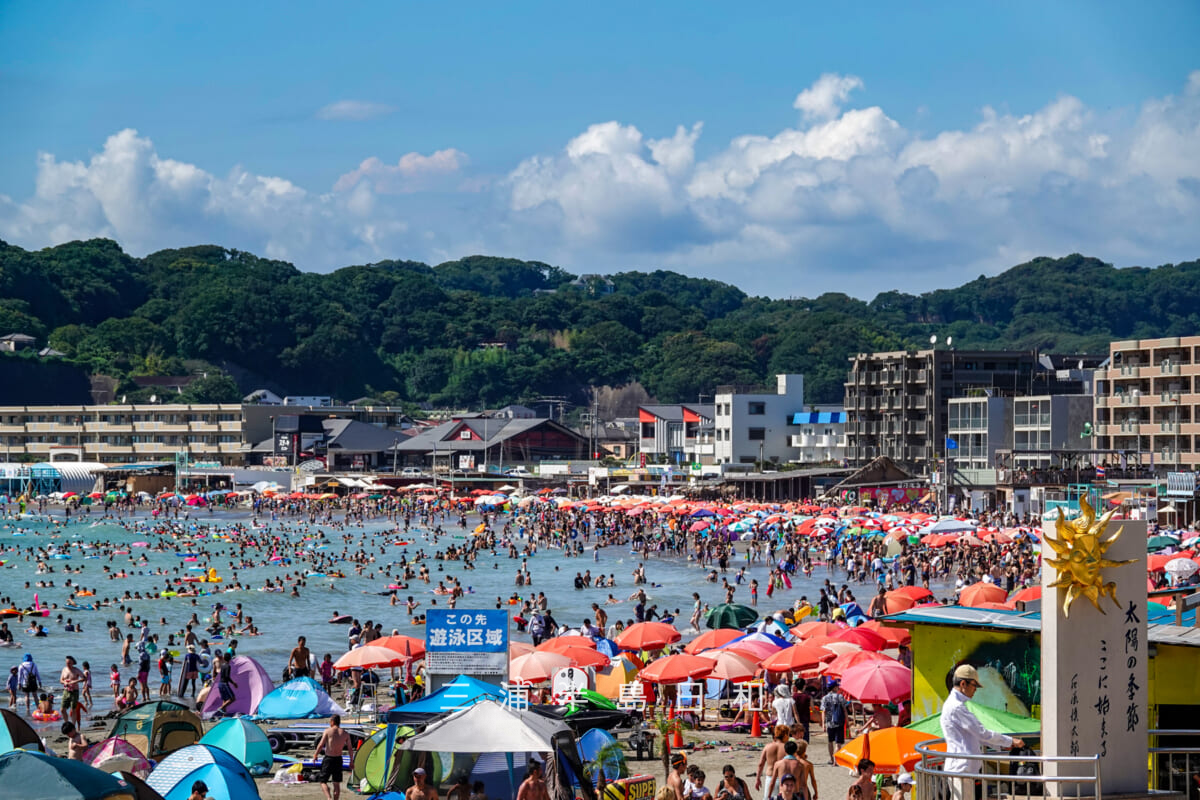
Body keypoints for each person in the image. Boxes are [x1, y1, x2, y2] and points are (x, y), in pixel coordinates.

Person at [942, 665, 1024, 799]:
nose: (975, 690)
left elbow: (977, 735)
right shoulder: (957, 707)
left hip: (962, 769)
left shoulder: (954, 705)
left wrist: (1003, 744)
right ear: (963, 684)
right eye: (974, 685)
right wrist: (1010, 741)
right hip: (962, 769)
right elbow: (982, 733)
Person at [313, 714, 351, 800]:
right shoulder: (345, 733)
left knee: (323, 781)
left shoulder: (327, 731)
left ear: (333, 722)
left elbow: (320, 745)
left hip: (329, 758)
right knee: (336, 783)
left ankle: (329, 798)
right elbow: (350, 749)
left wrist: (315, 755)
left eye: (330, 721)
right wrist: (351, 761)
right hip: (338, 759)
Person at [755, 725, 789, 800]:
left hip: (770, 777)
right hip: (783, 778)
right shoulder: (786, 748)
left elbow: (761, 764)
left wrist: (758, 778)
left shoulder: (768, 746)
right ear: (785, 735)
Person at [819, 686, 847, 766]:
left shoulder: (824, 698)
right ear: (834, 688)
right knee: (838, 743)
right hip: (839, 722)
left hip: (829, 723)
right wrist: (847, 722)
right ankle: (836, 760)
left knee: (830, 741)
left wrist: (823, 724)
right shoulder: (840, 697)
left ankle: (831, 759)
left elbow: (823, 711)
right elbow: (845, 710)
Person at [60, 655, 84, 727]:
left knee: (73, 709)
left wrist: (75, 681)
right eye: (67, 663)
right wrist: (65, 682)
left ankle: (73, 725)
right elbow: (61, 680)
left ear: (73, 663)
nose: (68, 664)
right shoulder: (64, 669)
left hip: (74, 691)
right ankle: (66, 723)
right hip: (66, 691)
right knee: (62, 709)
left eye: (69, 663)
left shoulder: (76, 670)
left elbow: (84, 678)